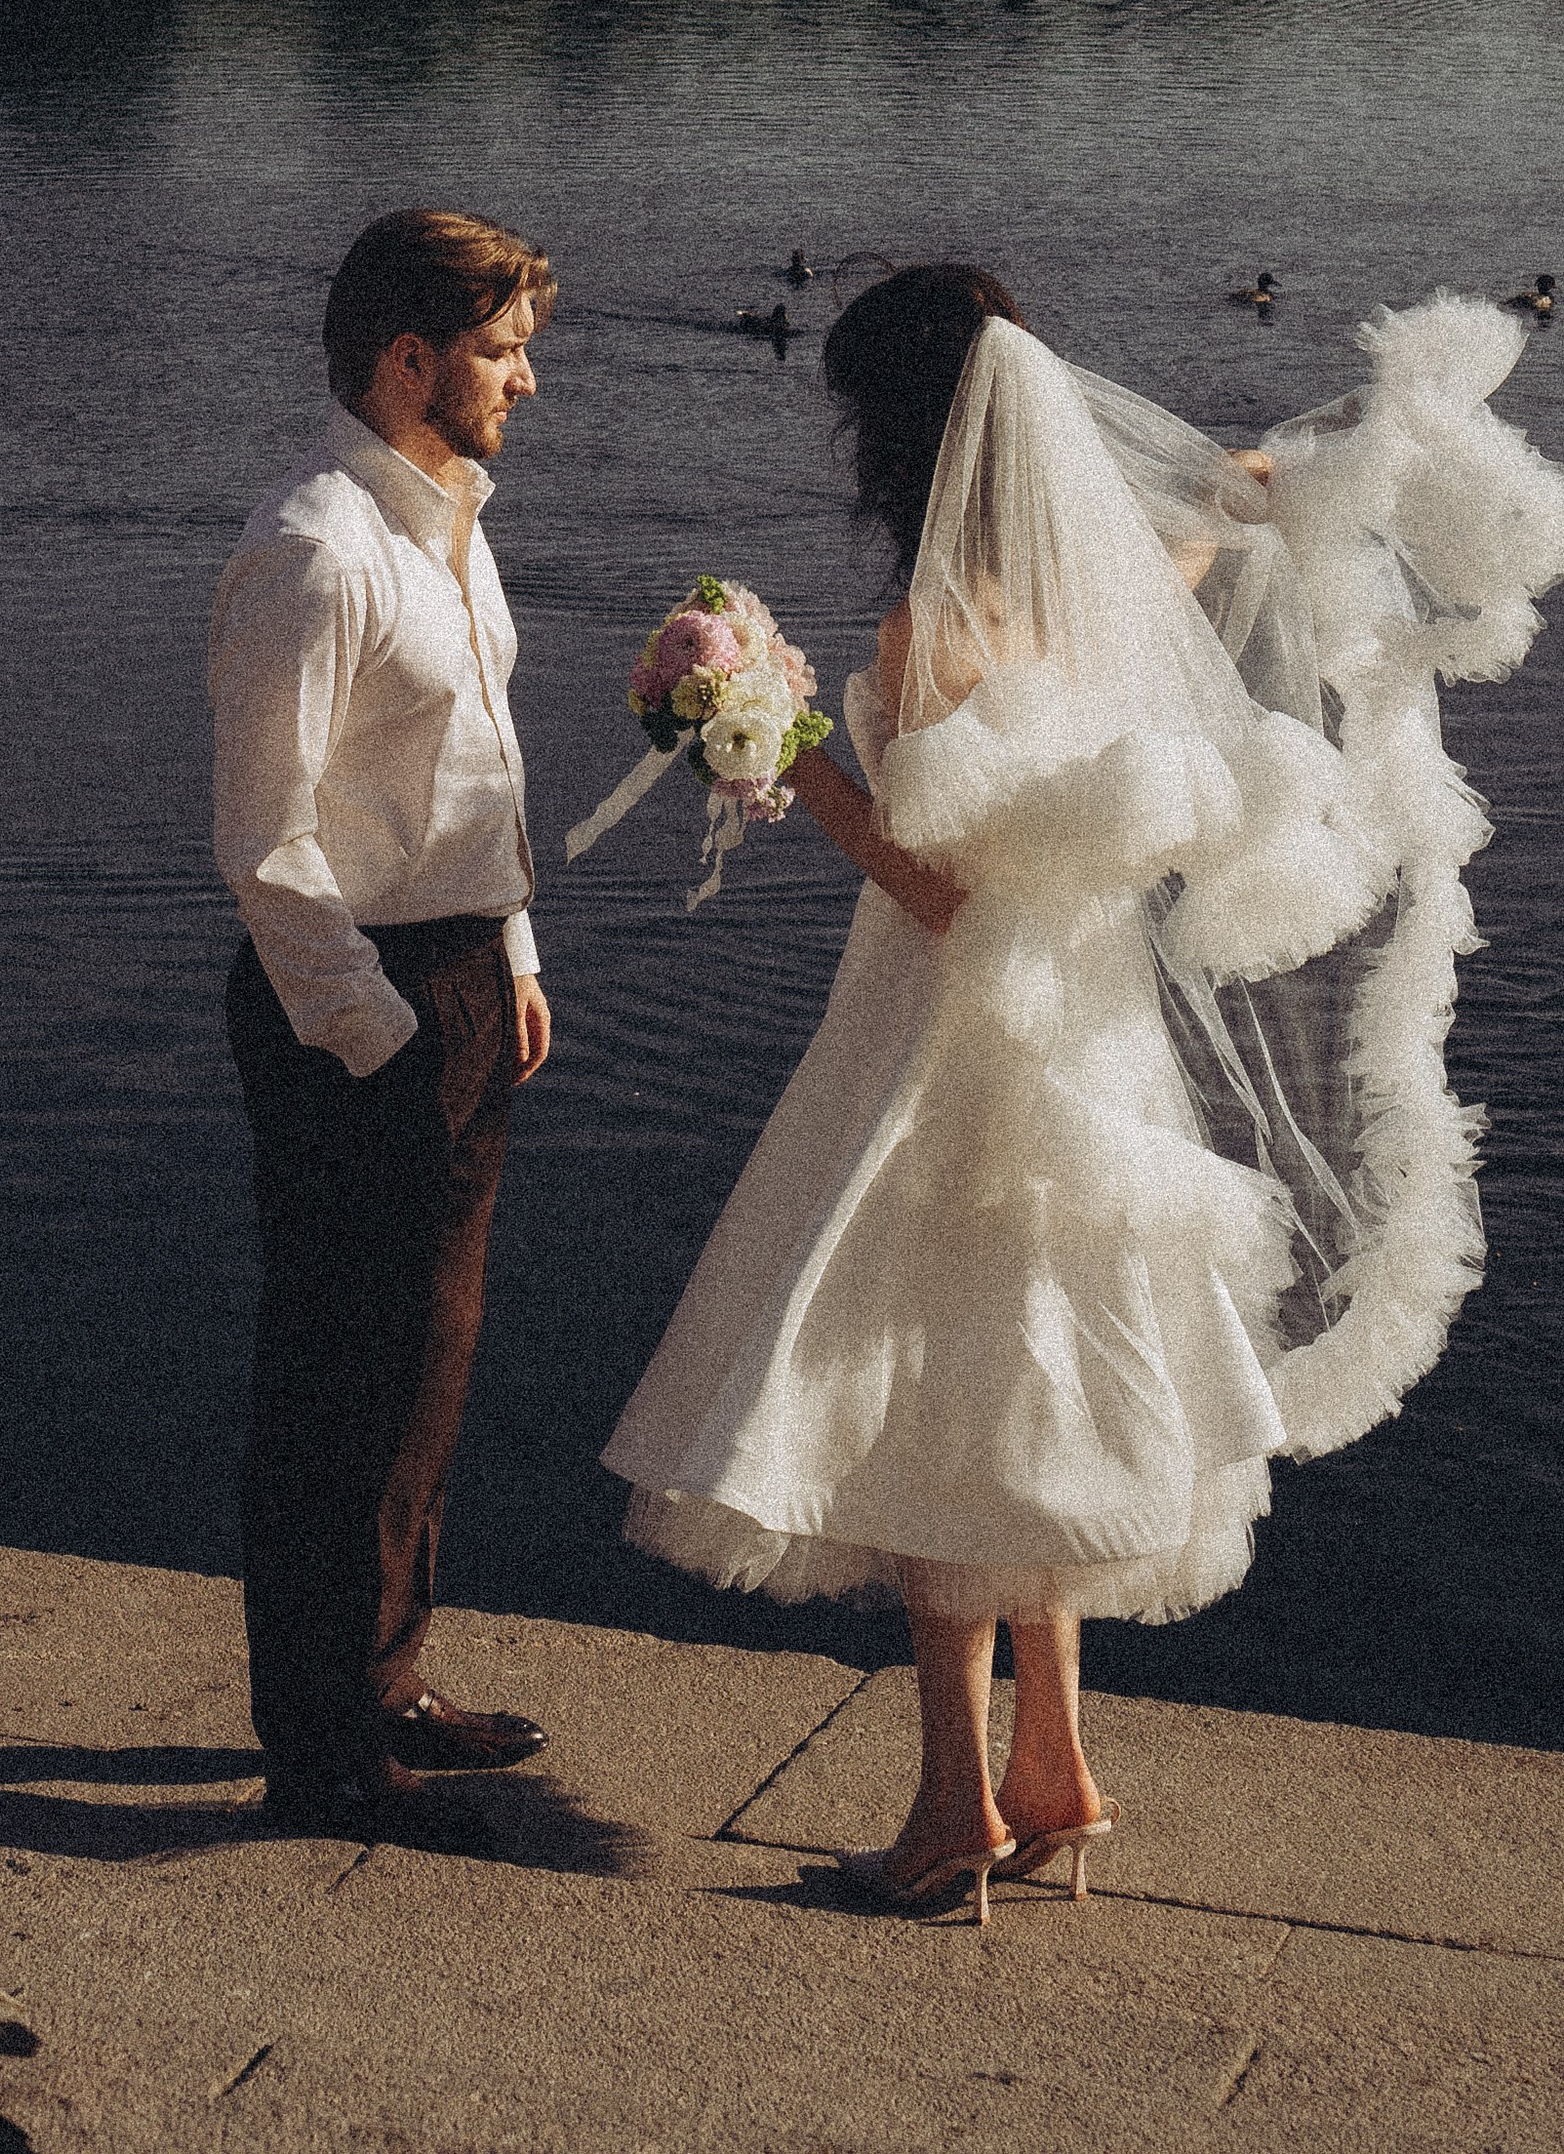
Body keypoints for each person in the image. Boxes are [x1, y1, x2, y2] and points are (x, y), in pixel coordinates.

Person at [605, 261, 1564, 1919]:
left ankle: (949, 1811)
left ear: (897, 434)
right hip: (1102, 1044)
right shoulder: (1137, 578)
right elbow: (1242, 506)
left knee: (942, 1410)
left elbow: (943, 891)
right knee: (1044, 1384)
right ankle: (1051, 1767)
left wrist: (770, 747)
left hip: (954, 1044)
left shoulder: (930, 630)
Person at [211, 207, 559, 1835]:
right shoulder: (316, 547)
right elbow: (268, 845)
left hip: (465, 977)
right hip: (356, 996)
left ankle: (389, 1670)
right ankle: (320, 1744)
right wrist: (381, 1037)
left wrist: (518, 958)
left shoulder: (451, 525)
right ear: (408, 361)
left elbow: (472, 763)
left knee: (431, 1358)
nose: (527, 380)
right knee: (332, 1382)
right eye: (501, 350)